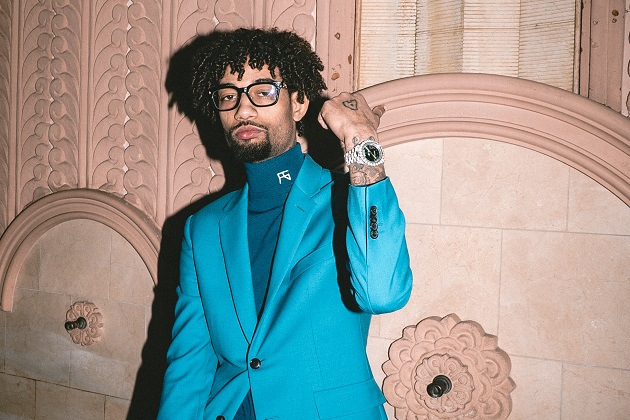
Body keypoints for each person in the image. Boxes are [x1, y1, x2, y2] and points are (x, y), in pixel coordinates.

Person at [158, 27, 413, 420]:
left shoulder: (349, 199)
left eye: (263, 92)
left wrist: (361, 138)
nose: (243, 111)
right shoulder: (202, 228)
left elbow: (383, 294)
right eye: (228, 96)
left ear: (298, 103)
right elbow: (190, 361)